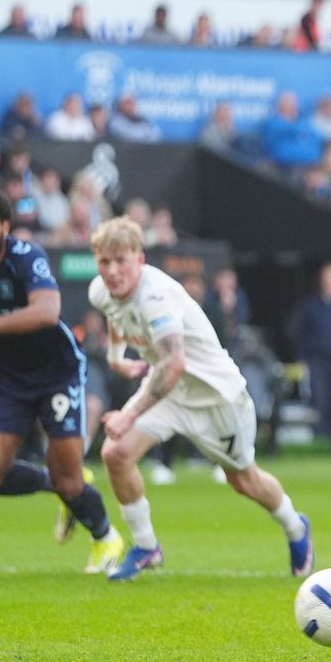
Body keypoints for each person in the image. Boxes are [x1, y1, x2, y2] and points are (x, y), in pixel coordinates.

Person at [88, 217, 313, 581]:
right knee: (116, 454)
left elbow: (174, 364)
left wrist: (128, 417)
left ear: (140, 259)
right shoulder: (100, 289)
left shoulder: (155, 297)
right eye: (104, 262)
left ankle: (296, 527)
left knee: (244, 480)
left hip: (216, 399)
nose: (112, 271)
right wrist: (116, 356)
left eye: (121, 261)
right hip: (169, 392)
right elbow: (115, 314)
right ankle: (147, 547)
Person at [0, 184, 124, 573]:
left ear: (4, 227)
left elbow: (46, 311)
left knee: (71, 481)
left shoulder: (26, 257)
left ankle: (106, 538)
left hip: (57, 373)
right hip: (9, 379)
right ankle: (56, 482)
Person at [286, 262, 331, 453]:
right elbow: (298, 333)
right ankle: (319, 444)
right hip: (316, 362)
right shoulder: (310, 306)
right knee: (319, 402)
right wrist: (302, 359)